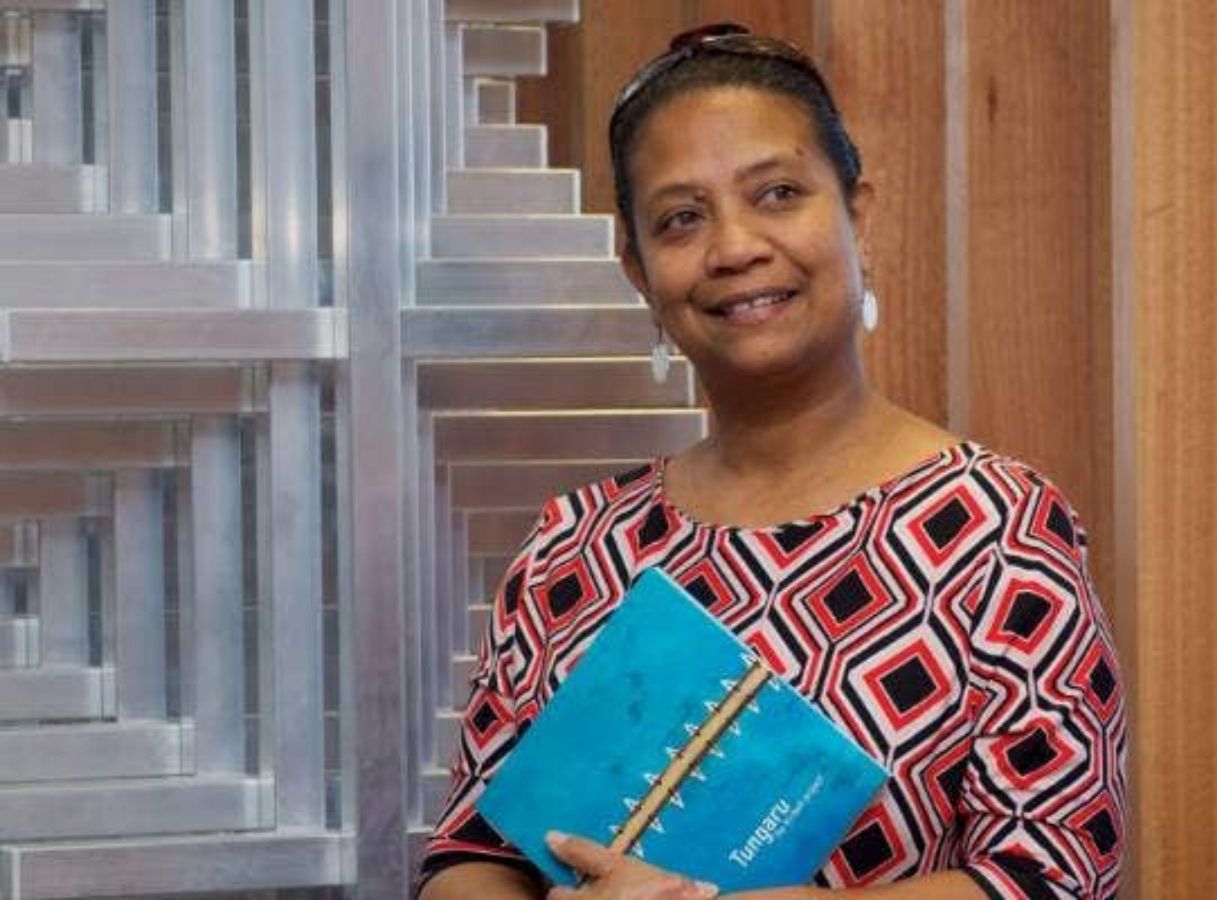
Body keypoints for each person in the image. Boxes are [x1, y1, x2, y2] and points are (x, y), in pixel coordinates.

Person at [419, 24, 1126, 900]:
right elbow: (468, 857)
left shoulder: (999, 529)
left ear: (857, 217)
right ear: (638, 269)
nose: (734, 247)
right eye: (682, 218)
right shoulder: (576, 550)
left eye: (778, 193)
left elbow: (1055, 874)